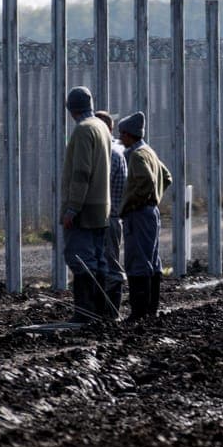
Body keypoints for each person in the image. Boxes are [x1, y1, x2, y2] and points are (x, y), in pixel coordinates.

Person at [61, 86, 111, 323]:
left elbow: (81, 173)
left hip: (85, 208)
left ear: (70, 109)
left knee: (80, 259)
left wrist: (72, 208)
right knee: (99, 260)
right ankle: (101, 311)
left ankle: (85, 312)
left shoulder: (82, 130)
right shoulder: (102, 126)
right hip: (102, 206)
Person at [117, 111, 172, 321]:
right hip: (151, 212)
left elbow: (147, 182)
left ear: (129, 134)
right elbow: (166, 177)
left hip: (139, 214)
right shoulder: (149, 151)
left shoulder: (137, 155)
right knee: (152, 260)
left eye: (122, 133)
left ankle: (139, 312)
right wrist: (155, 198)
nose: (120, 138)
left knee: (137, 261)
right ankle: (151, 309)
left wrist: (133, 202)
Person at [95, 110, 127, 319]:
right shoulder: (118, 150)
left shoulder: (110, 154)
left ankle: (110, 313)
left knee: (109, 266)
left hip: (107, 218)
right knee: (108, 263)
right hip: (113, 217)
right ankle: (107, 312)